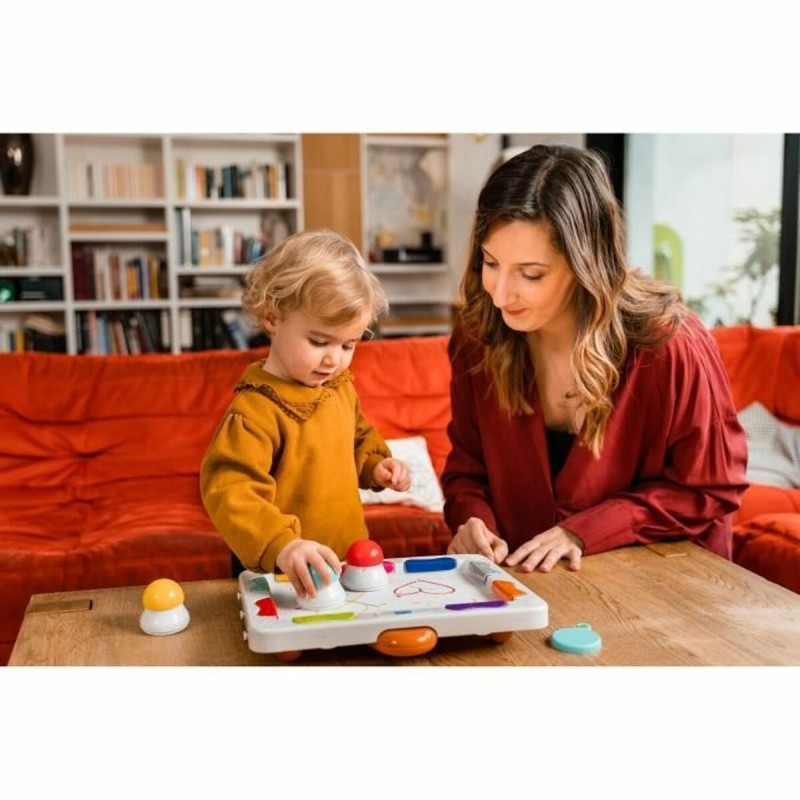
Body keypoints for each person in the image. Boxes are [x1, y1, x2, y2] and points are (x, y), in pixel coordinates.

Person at [442, 144, 748, 574]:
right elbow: (467, 472)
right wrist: (472, 519)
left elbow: (711, 489)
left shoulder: (670, 344)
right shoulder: (478, 340)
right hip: (534, 587)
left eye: (531, 274)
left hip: (667, 582)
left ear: (586, 263)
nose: (500, 293)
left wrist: (586, 531)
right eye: (490, 263)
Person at [200, 229, 410, 599]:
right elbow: (231, 490)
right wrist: (283, 545)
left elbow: (358, 437)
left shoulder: (339, 387)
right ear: (272, 317)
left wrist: (376, 465)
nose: (334, 359)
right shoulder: (254, 410)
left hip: (345, 557)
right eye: (319, 341)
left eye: (348, 345)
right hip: (280, 570)